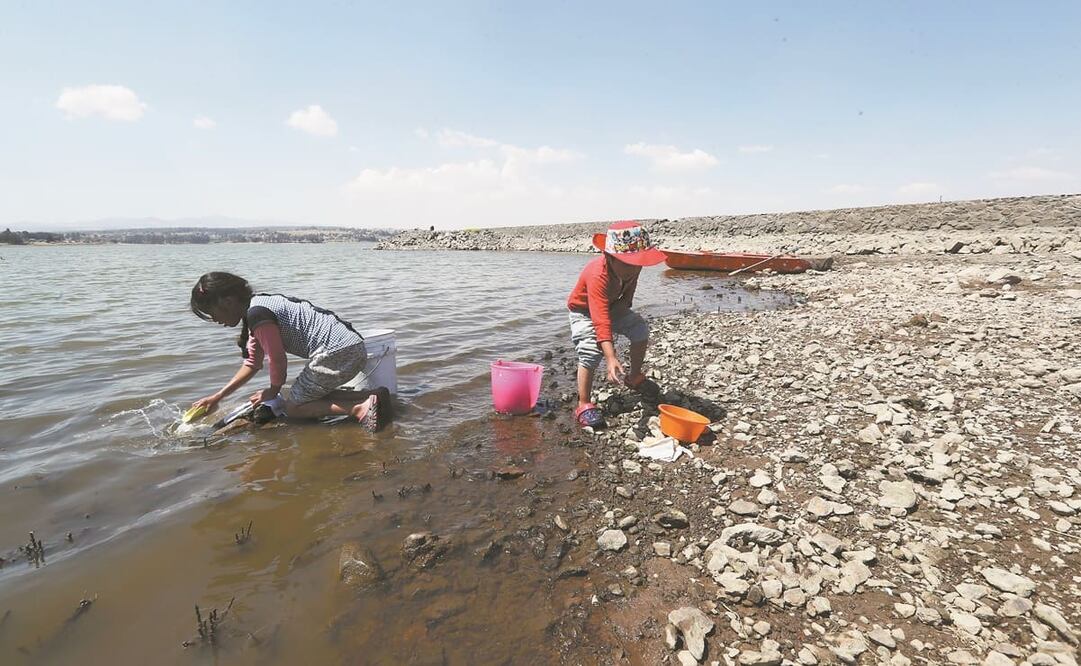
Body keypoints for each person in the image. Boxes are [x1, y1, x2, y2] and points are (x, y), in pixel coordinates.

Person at [188, 272, 389, 431]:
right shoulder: (258, 308)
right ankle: (374, 395)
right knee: (306, 394)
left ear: (228, 302)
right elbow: (252, 364)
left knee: (293, 408)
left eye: (212, 313)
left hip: (336, 352)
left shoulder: (257, 314)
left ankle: (359, 409)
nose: (215, 320)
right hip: (350, 347)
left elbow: (277, 359)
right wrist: (218, 397)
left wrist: (272, 391)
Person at [567, 221, 666, 429]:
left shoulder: (633, 269)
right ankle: (583, 403)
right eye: (628, 263)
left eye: (638, 263)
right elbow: (600, 319)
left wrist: (622, 310)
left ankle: (634, 377)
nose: (634, 269)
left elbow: (627, 297)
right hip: (584, 311)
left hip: (613, 306)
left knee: (639, 329)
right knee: (591, 350)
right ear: (610, 258)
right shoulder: (597, 274)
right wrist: (611, 357)